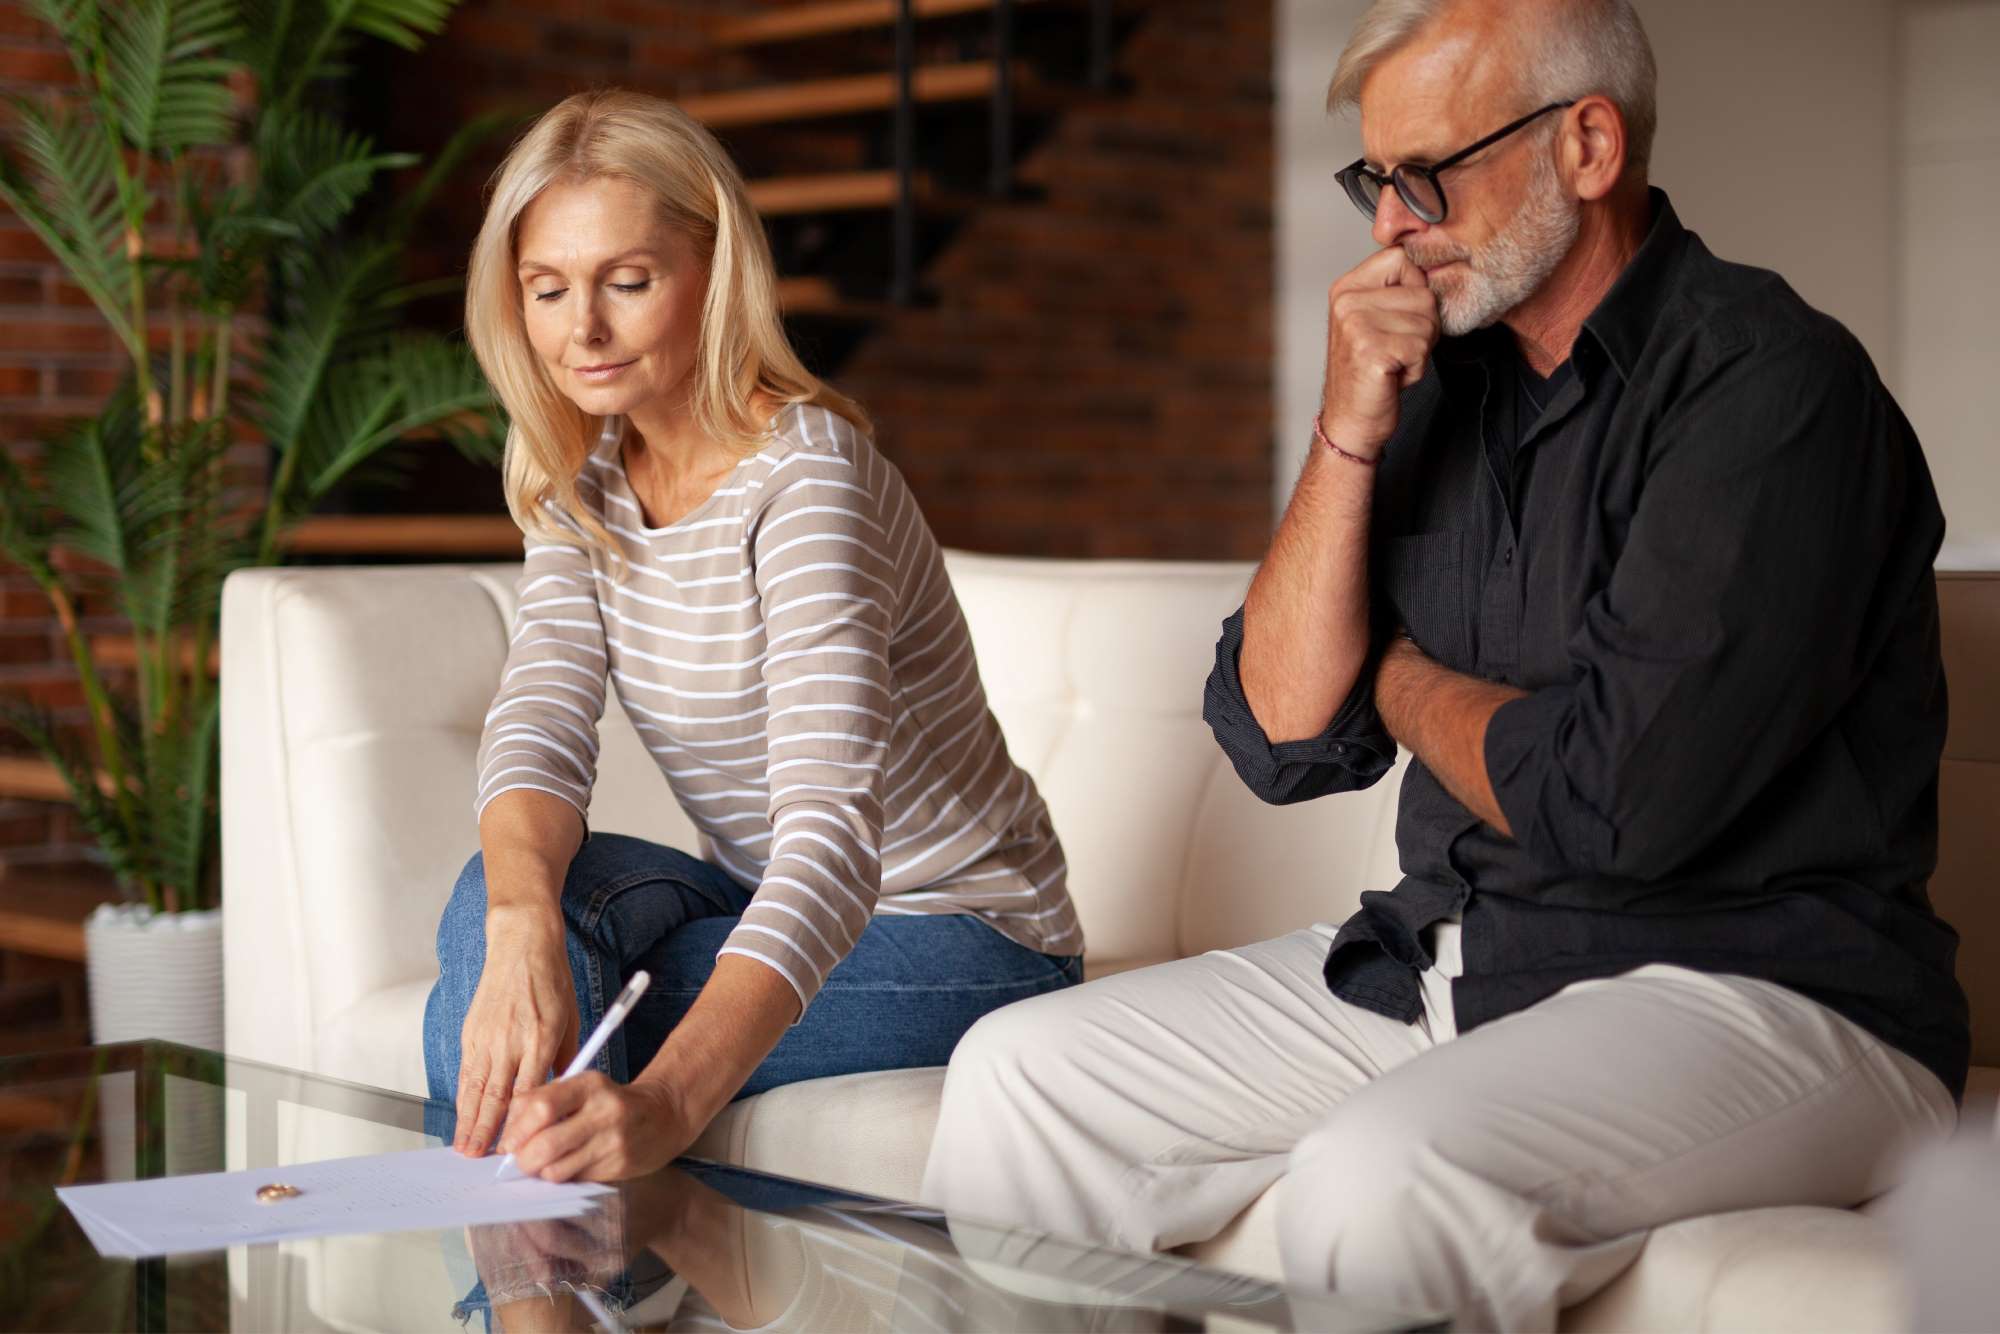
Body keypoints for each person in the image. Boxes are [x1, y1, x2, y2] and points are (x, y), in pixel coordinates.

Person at [922, 1, 1967, 1328]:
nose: (1389, 226)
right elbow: (1279, 731)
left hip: (1770, 989)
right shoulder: (1436, 383)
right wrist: (1347, 432)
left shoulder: (1769, 389)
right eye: (1374, 180)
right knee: (1022, 1073)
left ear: (1587, 145)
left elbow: (1616, 806)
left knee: (1381, 1174)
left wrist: (1400, 676)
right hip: (1461, 955)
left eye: (1426, 177)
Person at [423, 89, 1083, 1194]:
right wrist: (522, 918)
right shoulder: (578, 480)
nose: (581, 328)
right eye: (547, 290)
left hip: (965, 932)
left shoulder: (806, 477)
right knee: (496, 912)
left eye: (626, 283)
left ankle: (539, 1302)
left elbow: (830, 837)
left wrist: (667, 1105)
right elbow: (538, 720)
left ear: (713, 270)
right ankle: (555, 1296)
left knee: (550, 995)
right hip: (759, 888)